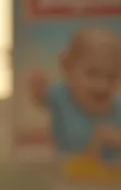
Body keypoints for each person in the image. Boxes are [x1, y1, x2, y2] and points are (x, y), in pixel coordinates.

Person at [29, 27, 121, 161]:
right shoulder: (63, 96)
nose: (102, 85)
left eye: (112, 77)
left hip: (109, 175)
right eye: (92, 73)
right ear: (68, 67)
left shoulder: (117, 106)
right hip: (67, 170)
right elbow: (43, 99)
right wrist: (38, 90)